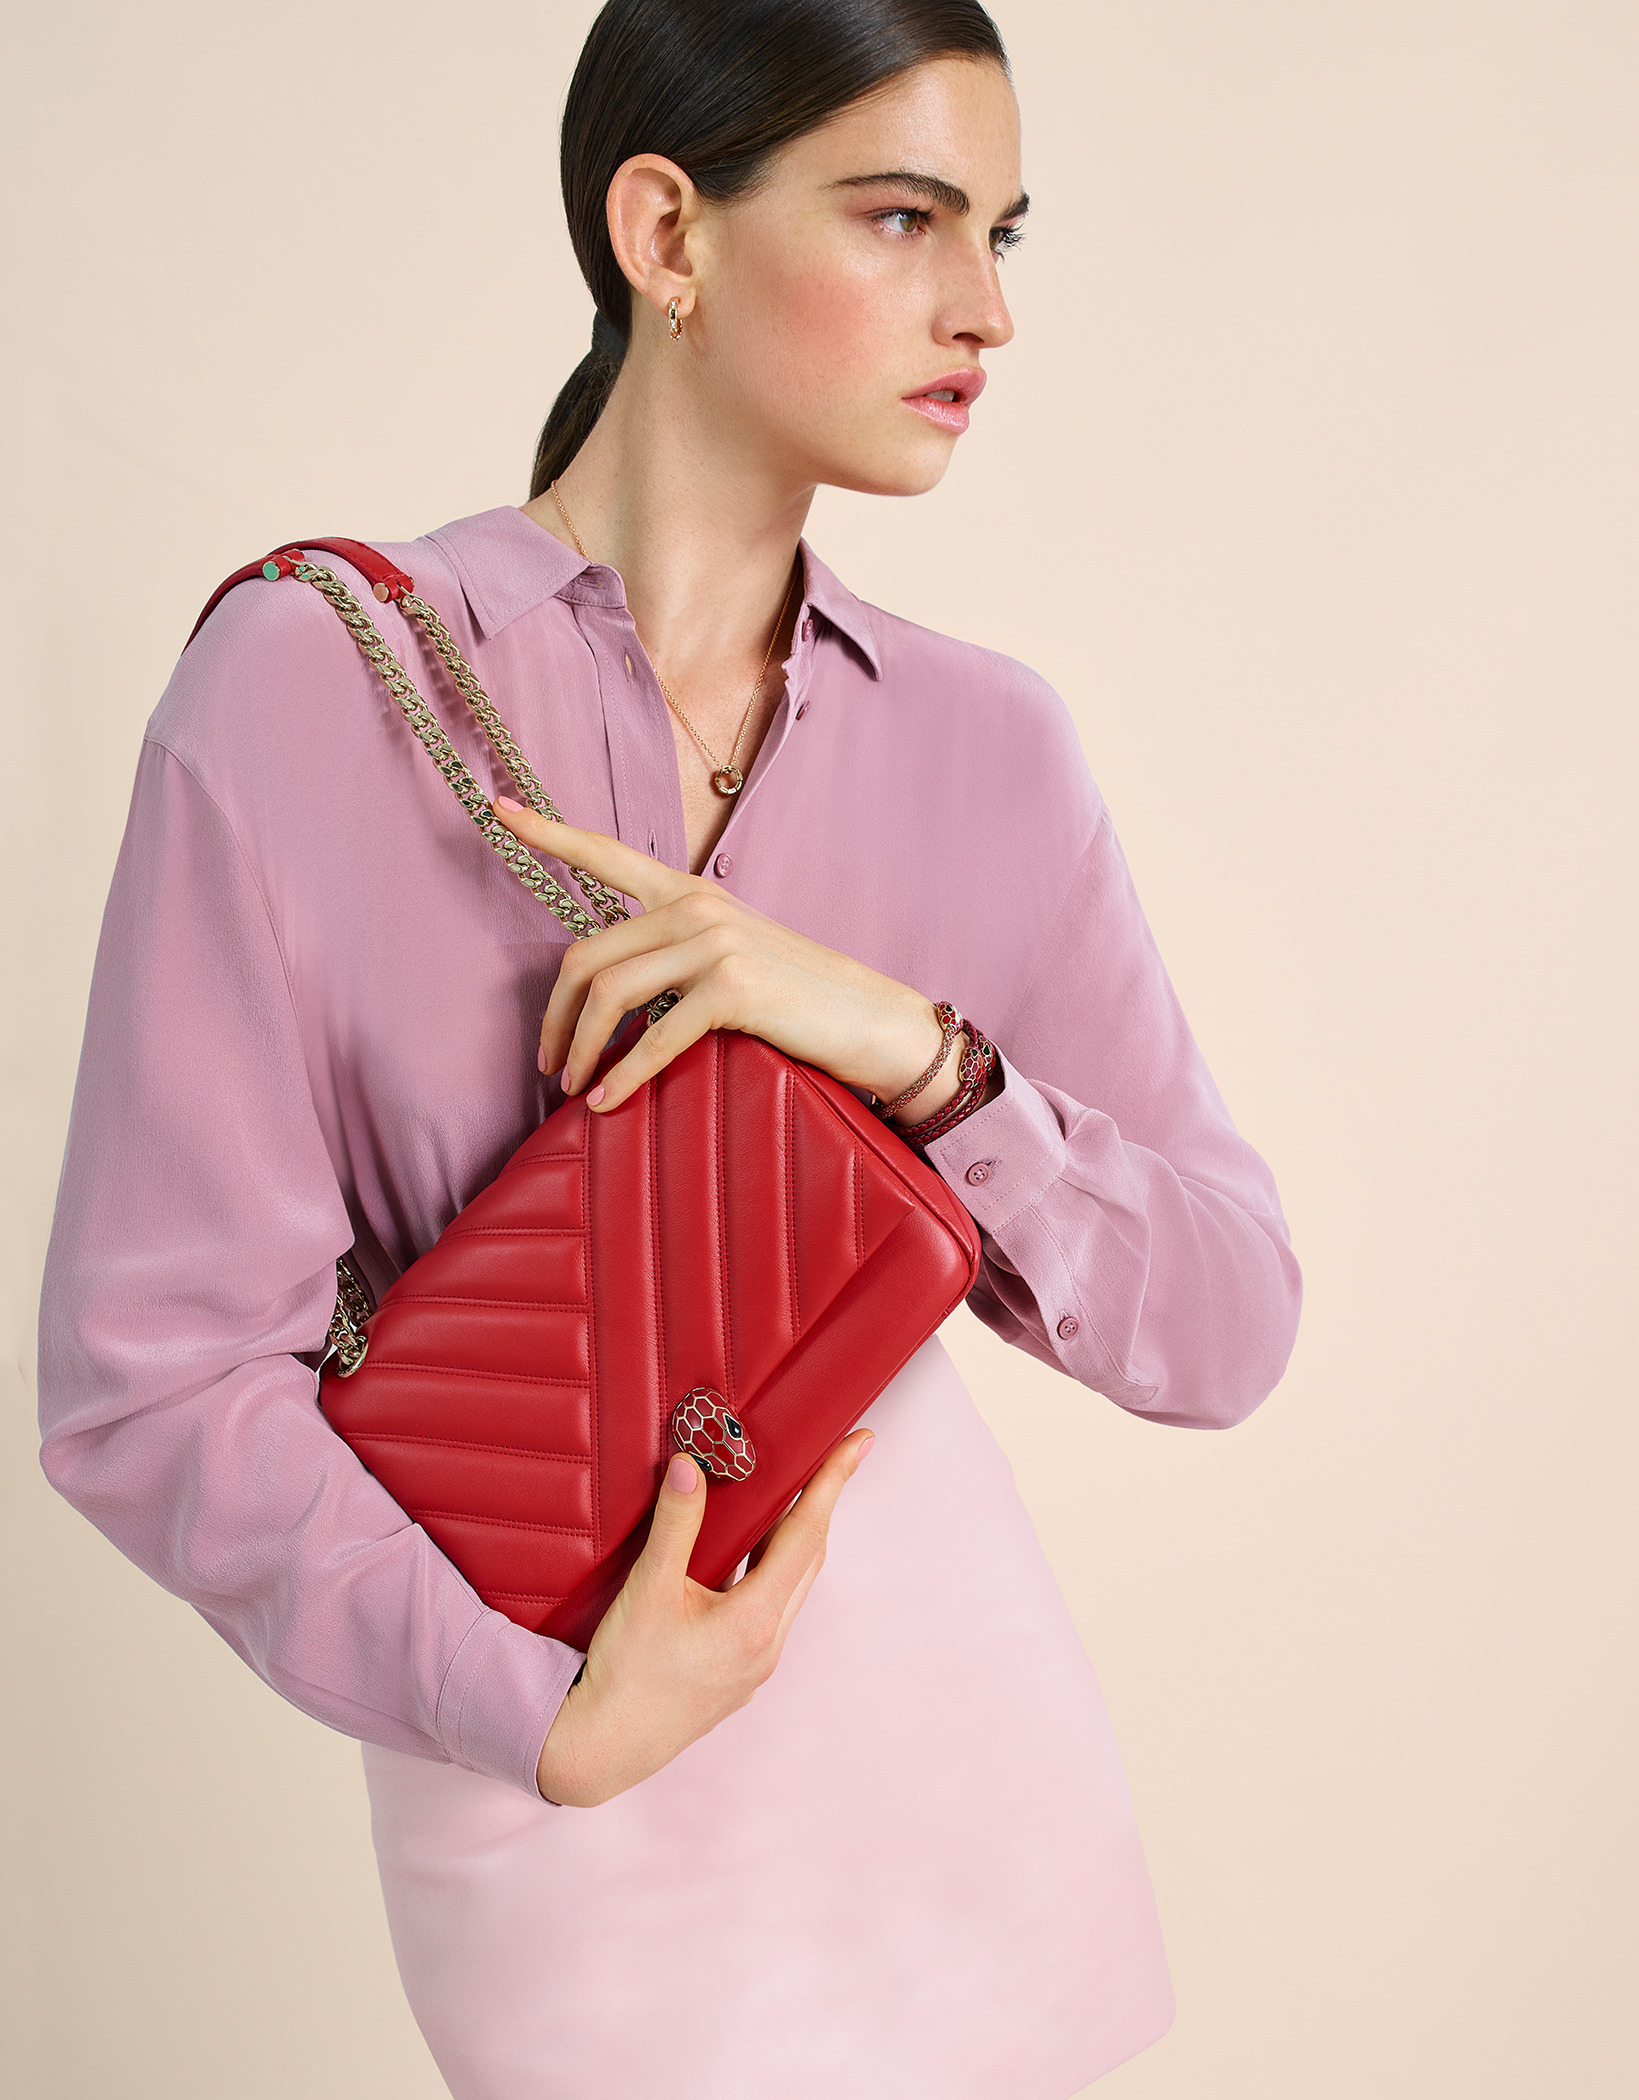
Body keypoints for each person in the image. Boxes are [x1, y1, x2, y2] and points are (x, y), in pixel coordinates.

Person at [36, 1, 1303, 2094]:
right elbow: (151, 1376)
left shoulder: (988, 745)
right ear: (665, 231)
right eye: (901, 218)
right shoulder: (311, 685)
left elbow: (1229, 1320)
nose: (984, 310)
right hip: (561, 1793)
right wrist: (537, 1714)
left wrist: (911, 1050)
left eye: (999, 234)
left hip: (966, 1788)